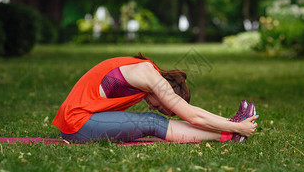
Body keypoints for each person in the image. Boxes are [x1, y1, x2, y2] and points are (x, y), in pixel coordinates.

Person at [52, 53, 258, 143]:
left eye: (160, 107)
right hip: (76, 125)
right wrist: (236, 128)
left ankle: (231, 131)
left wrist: (230, 123)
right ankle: (231, 136)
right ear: (168, 92)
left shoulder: (148, 73)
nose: (153, 107)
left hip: (79, 122)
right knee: (153, 122)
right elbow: (193, 116)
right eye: (161, 106)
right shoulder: (149, 76)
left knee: (157, 121)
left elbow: (192, 112)